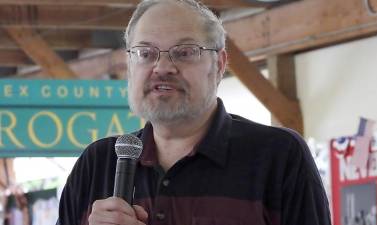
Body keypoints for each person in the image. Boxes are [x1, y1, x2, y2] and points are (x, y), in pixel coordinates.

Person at [57, 0, 332, 224]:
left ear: (219, 64)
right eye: (145, 53)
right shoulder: (97, 163)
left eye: (185, 52)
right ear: (130, 64)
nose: (163, 67)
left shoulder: (278, 156)